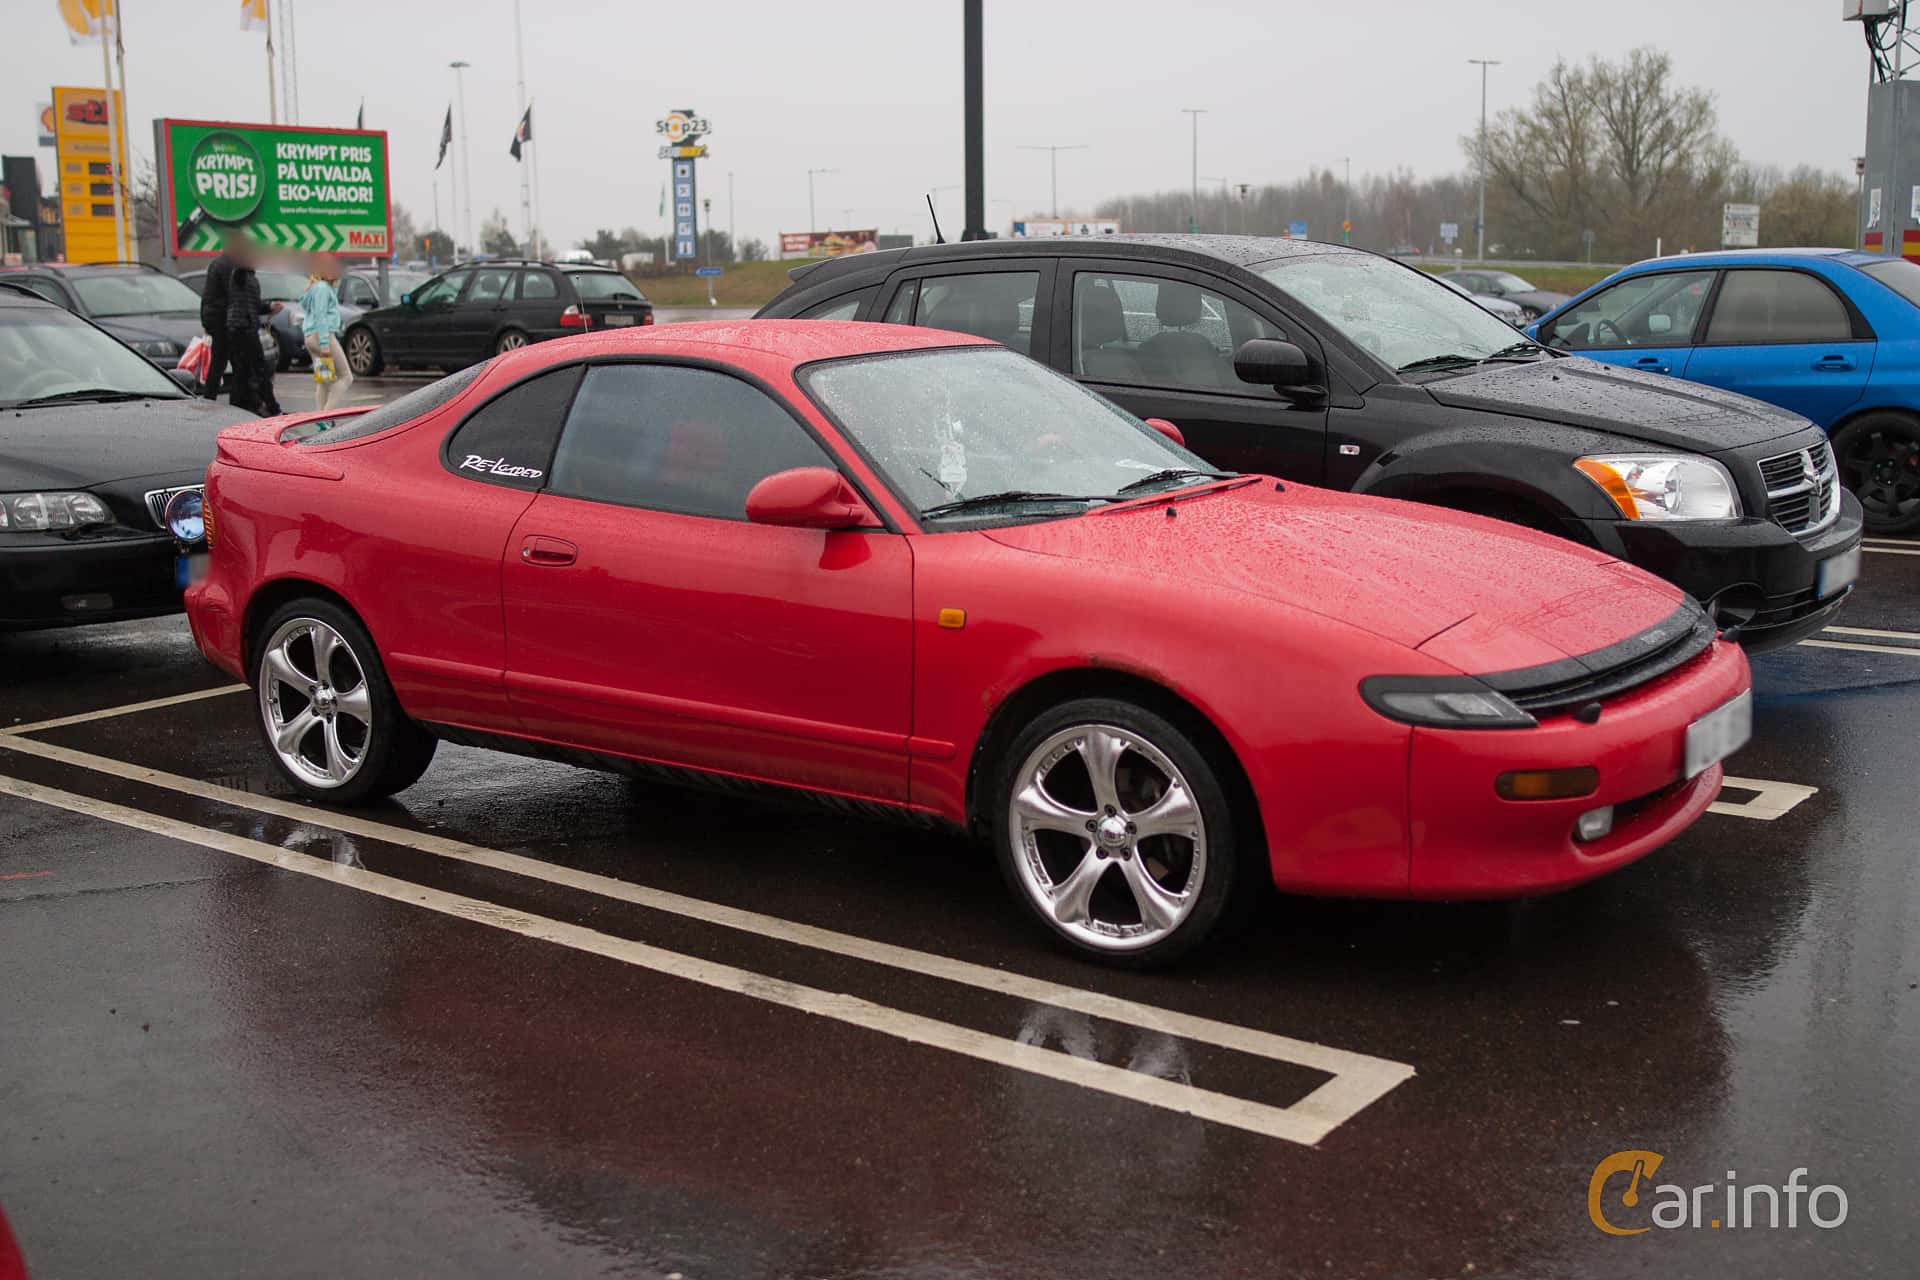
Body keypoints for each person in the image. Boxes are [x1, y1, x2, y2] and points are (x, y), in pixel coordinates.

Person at [225, 238, 283, 415]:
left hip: (244, 328)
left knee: (243, 371)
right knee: (258, 369)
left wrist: (269, 307)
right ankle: (272, 407)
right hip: (242, 329)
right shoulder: (240, 275)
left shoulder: (250, 277)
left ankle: (240, 405)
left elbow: (254, 305)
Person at [299, 253, 354, 410]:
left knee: (323, 381)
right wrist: (324, 344)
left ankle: (320, 419)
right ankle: (326, 414)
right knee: (346, 377)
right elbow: (320, 316)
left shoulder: (317, 288)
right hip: (322, 337)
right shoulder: (323, 288)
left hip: (311, 337)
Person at [198, 237, 237, 400]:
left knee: (219, 362)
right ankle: (237, 399)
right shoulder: (228, 266)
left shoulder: (217, 264)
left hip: (216, 319)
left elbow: (207, 297)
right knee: (231, 362)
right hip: (224, 321)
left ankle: (210, 396)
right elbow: (233, 295)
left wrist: (206, 321)